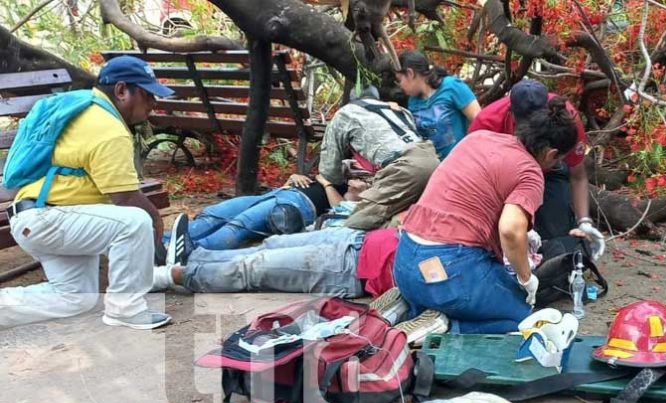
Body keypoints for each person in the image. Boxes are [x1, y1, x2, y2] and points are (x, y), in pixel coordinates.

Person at [0, 56, 175, 330]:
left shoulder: (86, 108)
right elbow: (126, 199)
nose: (154, 103)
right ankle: (126, 310)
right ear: (121, 91)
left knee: (75, 298)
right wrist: (156, 224)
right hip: (48, 218)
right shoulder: (108, 128)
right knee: (137, 221)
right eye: (147, 94)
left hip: (41, 218)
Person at [393, 100, 579, 333]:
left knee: (485, 290)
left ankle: (413, 310)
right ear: (552, 154)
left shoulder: (478, 138)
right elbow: (510, 230)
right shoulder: (530, 172)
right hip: (451, 272)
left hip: (406, 260)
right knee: (523, 322)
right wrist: (526, 278)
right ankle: (449, 327)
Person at [469, 79, 605, 260]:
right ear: (512, 112)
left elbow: (577, 175)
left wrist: (584, 222)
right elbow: (474, 180)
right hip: (499, 180)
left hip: (549, 171)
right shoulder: (487, 123)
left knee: (558, 241)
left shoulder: (567, 119)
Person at [164, 173, 369, 264]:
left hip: (299, 205)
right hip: (278, 192)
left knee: (238, 225)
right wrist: (294, 177)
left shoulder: (359, 198)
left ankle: (189, 253)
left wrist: (326, 184)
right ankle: (161, 244)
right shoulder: (339, 168)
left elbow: (339, 208)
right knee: (214, 214)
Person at [318, 85, 440, 231]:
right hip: (434, 162)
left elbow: (330, 171)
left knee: (357, 224)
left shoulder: (346, 113)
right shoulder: (399, 110)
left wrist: (337, 182)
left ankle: (393, 230)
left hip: (405, 168)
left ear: (353, 100)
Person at [154, 227, 399, 299]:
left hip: (353, 269)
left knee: (254, 270)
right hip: (359, 238)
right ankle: (193, 257)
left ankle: (168, 276)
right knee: (270, 245)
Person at [395, 51, 481, 159]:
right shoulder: (413, 101)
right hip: (434, 168)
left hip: (463, 160)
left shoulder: (451, 86)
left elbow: (479, 120)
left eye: (400, 80)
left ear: (410, 73)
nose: (400, 86)